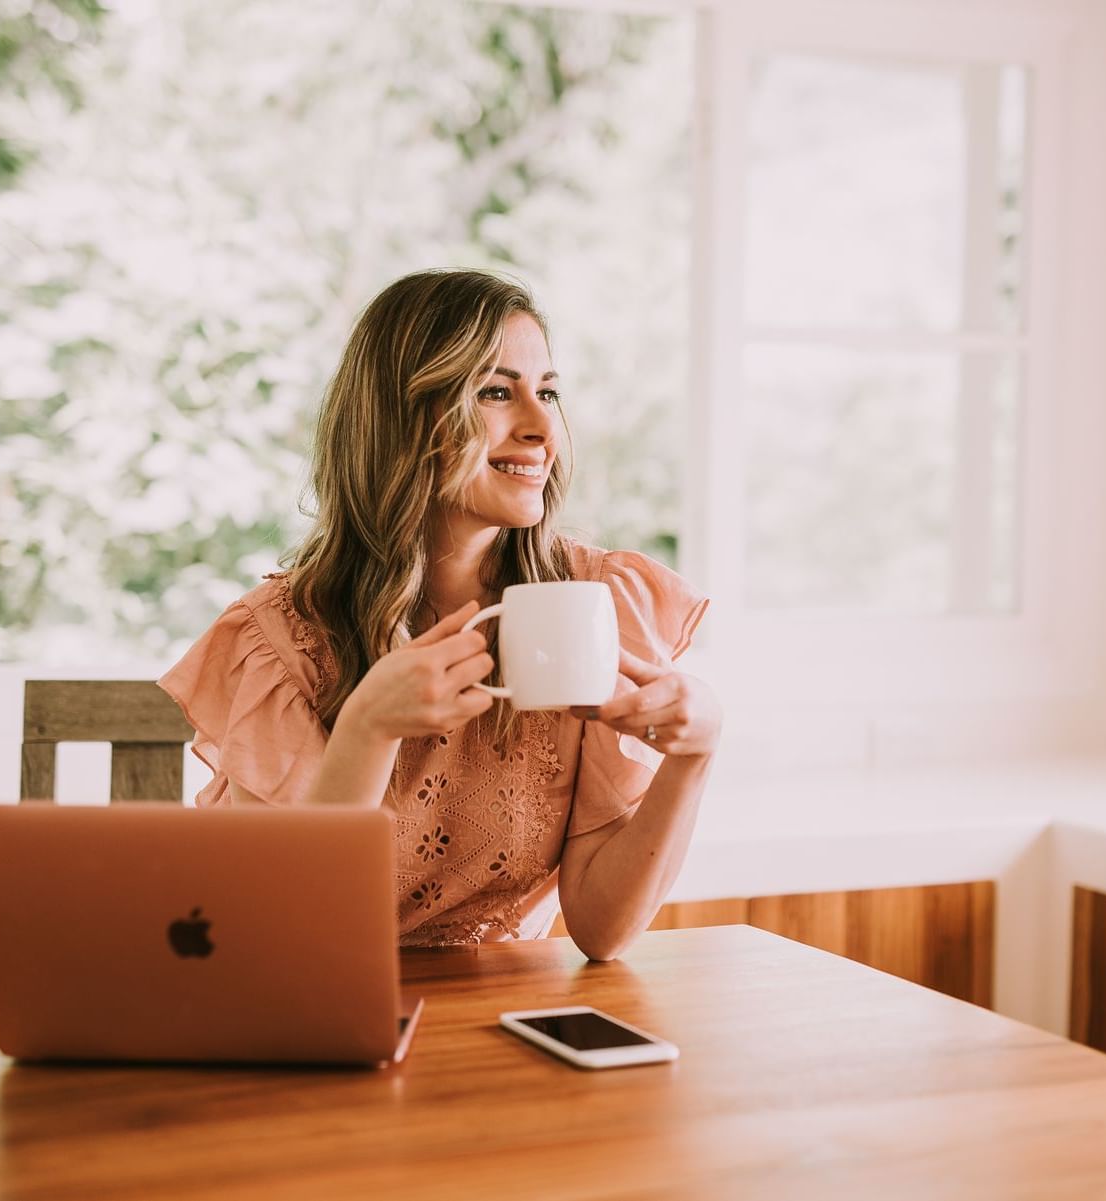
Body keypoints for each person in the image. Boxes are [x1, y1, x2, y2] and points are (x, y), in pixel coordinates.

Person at [159, 269, 719, 961]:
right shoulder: (281, 639)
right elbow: (290, 930)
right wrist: (367, 726)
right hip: (316, 1009)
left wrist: (692, 757)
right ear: (403, 416)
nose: (543, 427)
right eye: (494, 391)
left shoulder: (593, 603)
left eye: (546, 391)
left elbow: (602, 930)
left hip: (494, 1023)